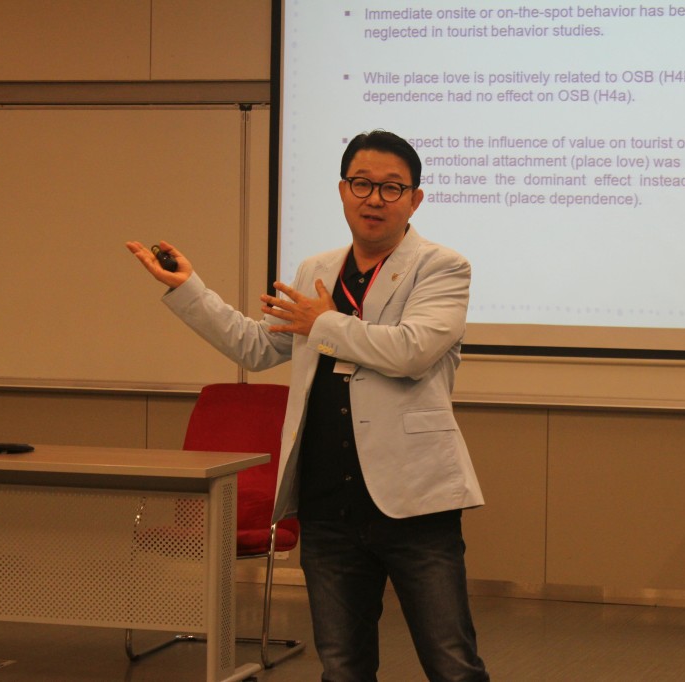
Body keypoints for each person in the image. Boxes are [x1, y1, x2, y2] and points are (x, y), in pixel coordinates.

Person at [127, 130, 490, 682]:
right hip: (327, 504)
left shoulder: (442, 267)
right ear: (342, 190)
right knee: (342, 667)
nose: (374, 198)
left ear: (415, 199)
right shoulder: (316, 270)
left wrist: (324, 322)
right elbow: (256, 346)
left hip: (414, 502)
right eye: (362, 183)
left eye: (391, 187)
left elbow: (412, 351)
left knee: (452, 664)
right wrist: (188, 289)